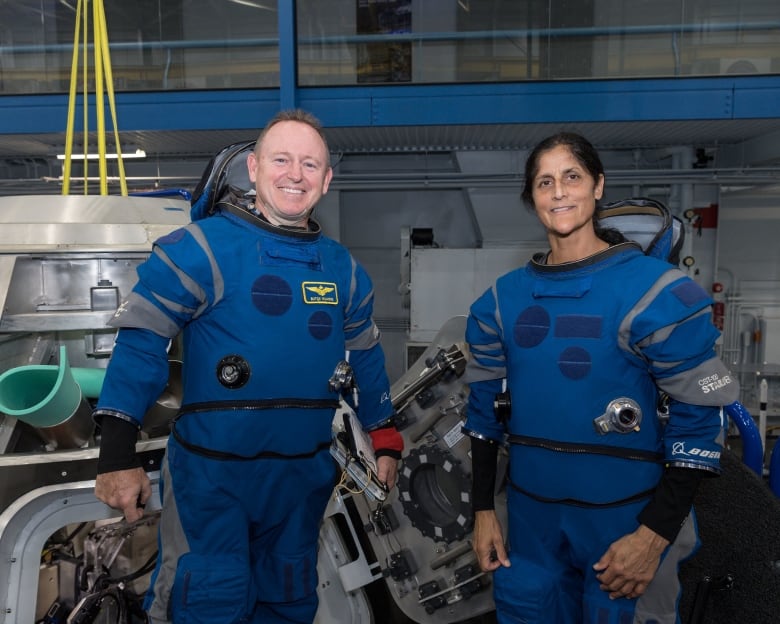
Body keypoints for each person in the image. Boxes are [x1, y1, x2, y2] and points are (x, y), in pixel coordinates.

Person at [93, 109, 403, 624]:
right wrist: (115, 457)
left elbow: (365, 355)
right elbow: (141, 345)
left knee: (290, 599)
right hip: (213, 481)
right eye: (282, 159)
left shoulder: (343, 270)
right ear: (254, 168)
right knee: (207, 600)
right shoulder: (200, 249)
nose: (295, 174)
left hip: (301, 480)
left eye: (310, 164)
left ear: (326, 180)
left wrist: (384, 435)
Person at [462, 132, 739, 624]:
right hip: (530, 528)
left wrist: (652, 539)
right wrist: (483, 511)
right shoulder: (501, 304)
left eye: (572, 177)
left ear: (597, 187)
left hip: (626, 526)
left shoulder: (656, 293)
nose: (559, 192)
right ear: (532, 199)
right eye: (545, 182)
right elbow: (483, 418)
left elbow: (697, 432)